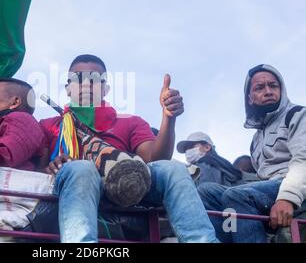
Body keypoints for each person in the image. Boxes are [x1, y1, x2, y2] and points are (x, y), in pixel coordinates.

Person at [39, 54, 218, 243]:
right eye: (78, 79)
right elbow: (35, 168)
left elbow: (155, 159)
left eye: (94, 80)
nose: (86, 85)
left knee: (173, 168)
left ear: (105, 89)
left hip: (126, 185)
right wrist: (53, 166)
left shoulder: (130, 122)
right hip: (78, 187)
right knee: (81, 168)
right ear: (68, 88)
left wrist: (169, 118)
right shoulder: (48, 125)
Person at [198, 64, 306, 243]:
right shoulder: (255, 141)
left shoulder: (297, 115)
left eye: (273, 86)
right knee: (206, 191)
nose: (268, 91)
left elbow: (303, 160)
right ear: (249, 98)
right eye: (260, 87)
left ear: (282, 90)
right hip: (270, 188)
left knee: (236, 195)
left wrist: (287, 198)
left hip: (296, 186)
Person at [177, 132, 242, 186]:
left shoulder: (205, 163)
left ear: (207, 147)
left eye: (191, 146)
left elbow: (204, 194)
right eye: (186, 149)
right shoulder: (219, 164)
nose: (187, 151)